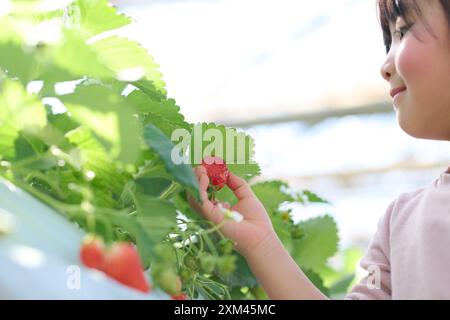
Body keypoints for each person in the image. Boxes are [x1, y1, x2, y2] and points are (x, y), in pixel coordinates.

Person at [189, 0, 450, 299]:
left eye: (402, 31)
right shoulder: (400, 222)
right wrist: (261, 244)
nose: (385, 66)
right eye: (388, 40)